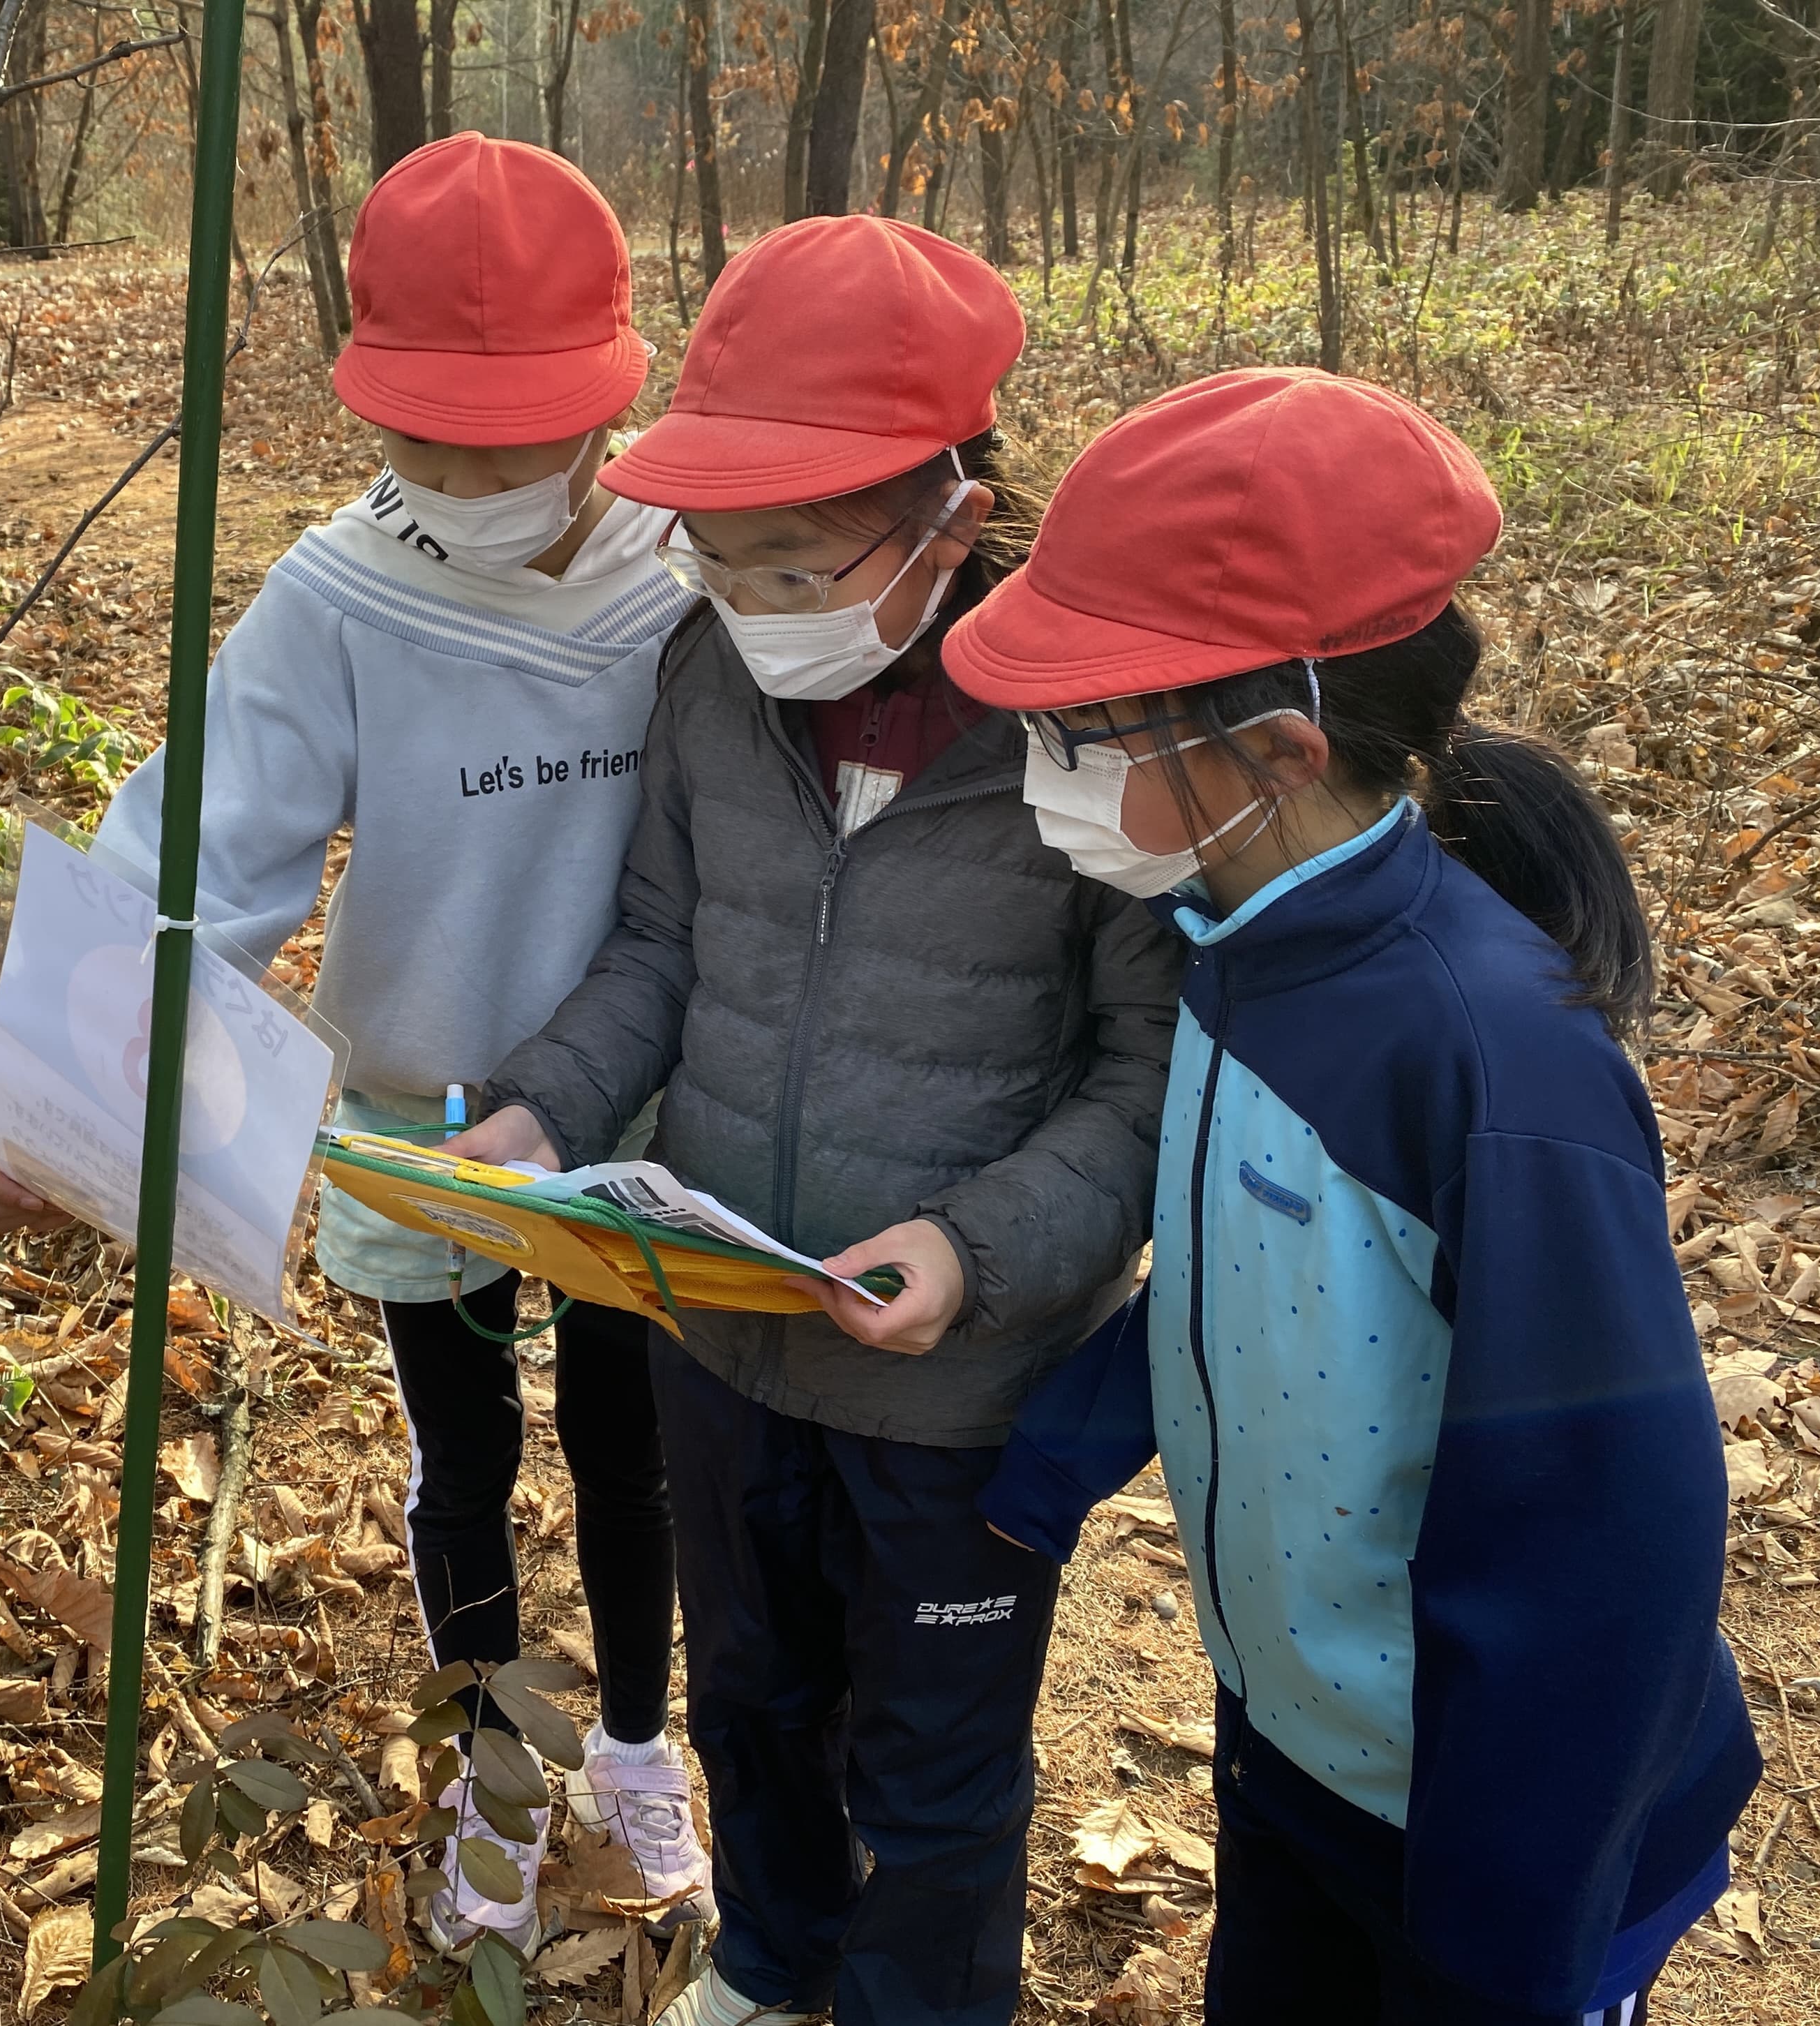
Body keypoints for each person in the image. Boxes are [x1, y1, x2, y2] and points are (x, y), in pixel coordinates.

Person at [0, 133, 708, 1951]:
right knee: (466, 1462)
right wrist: (57, 1094)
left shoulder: (690, 565)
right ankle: (496, 1776)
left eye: (513, 440)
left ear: (608, 404)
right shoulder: (341, 596)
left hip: (637, 1101)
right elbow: (197, 852)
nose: (466, 478)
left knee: (634, 1449)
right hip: (417, 1116)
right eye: (427, 441)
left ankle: (634, 1743)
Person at [946, 366, 1759, 2025]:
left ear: (1277, 751)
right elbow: (1247, 1282)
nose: (1041, 771)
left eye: (1079, 734)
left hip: (1491, 1834)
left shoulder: (1492, 1067)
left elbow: (1611, 1541)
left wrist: (1503, 1940)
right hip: (1301, 1739)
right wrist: (1061, 1452)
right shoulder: (1233, 937)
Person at [447, 216, 1182, 2026]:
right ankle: (773, 1958)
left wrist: (980, 1249)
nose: (753, 598)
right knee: (754, 1696)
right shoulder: (712, 676)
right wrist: (544, 1105)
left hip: (955, 1388)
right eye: (716, 557)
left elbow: (1148, 1069)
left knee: (934, 1760)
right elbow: (664, 940)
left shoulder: (1095, 738)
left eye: (795, 561)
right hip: (725, 1330)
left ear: (955, 517)